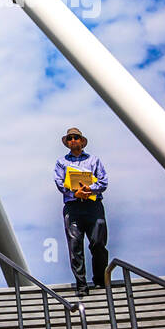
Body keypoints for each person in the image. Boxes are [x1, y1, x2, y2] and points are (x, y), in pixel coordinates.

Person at [55, 127, 109, 297]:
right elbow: (59, 183)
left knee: (98, 242)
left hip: (93, 205)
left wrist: (89, 189)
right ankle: (81, 284)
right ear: (67, 142)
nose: (73, 140)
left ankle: (100, 279)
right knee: (75, 245)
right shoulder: (61, 162)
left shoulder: (94, 160)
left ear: (82, 140)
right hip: (73, 207)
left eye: (76, 137)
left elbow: (103, 181)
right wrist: (74, 193)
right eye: (70, 138)